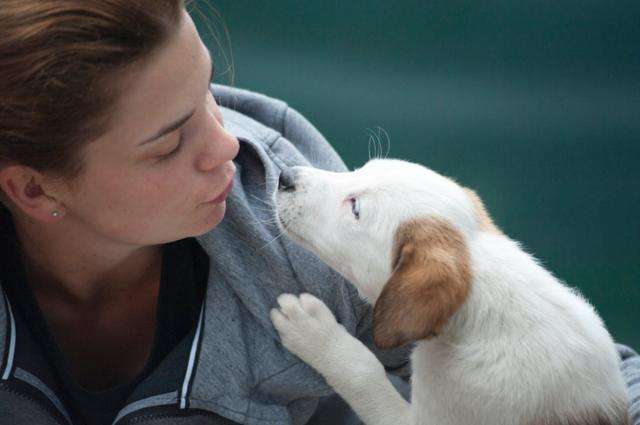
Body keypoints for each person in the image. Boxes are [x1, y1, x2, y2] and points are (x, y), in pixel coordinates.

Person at [0, 1, 637, 425]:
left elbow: (600, 382)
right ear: (33, 191)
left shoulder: (313, 254)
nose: (228, 144)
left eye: (207, 93)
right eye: (170, 143)